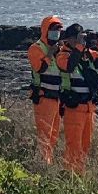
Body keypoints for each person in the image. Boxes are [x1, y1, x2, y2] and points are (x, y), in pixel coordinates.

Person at [56, 23, 98, 174]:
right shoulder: (63, 54)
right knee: (74, 145)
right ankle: (69, 174)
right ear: (69, 39)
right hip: (74, 107)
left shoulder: (88, 54)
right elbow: (69, 66)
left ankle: (79, 174)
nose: (79, 42)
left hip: (89, 107)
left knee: (85, 145)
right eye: (76, 39)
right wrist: (79, 48)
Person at [27, 16, 64, 164]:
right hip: (44, 97)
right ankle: (43, 162)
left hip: (57, 97)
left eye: (59, 30)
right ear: (45, 30)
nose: (56, 33)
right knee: (44, 133)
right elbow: (40, 68)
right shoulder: (36, 48)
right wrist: (50, 54)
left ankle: (48, 160)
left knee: (54, 134)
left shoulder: (59, 49)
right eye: (53, 30)